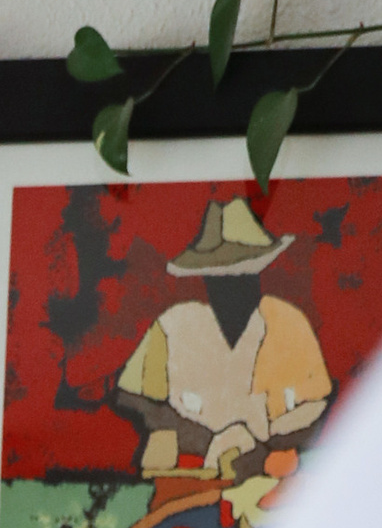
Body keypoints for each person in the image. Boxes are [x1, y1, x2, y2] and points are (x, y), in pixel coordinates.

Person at [114, 194, 331, 483]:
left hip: (268, 477)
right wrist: (207, 440)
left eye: (244, 275)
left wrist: (260, 449)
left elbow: (319, 408)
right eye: (221, 277)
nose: (233, 288)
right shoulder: (173, 326)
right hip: (188, 475)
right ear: (206, 279)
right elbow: (133, 398)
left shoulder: (287, 324)